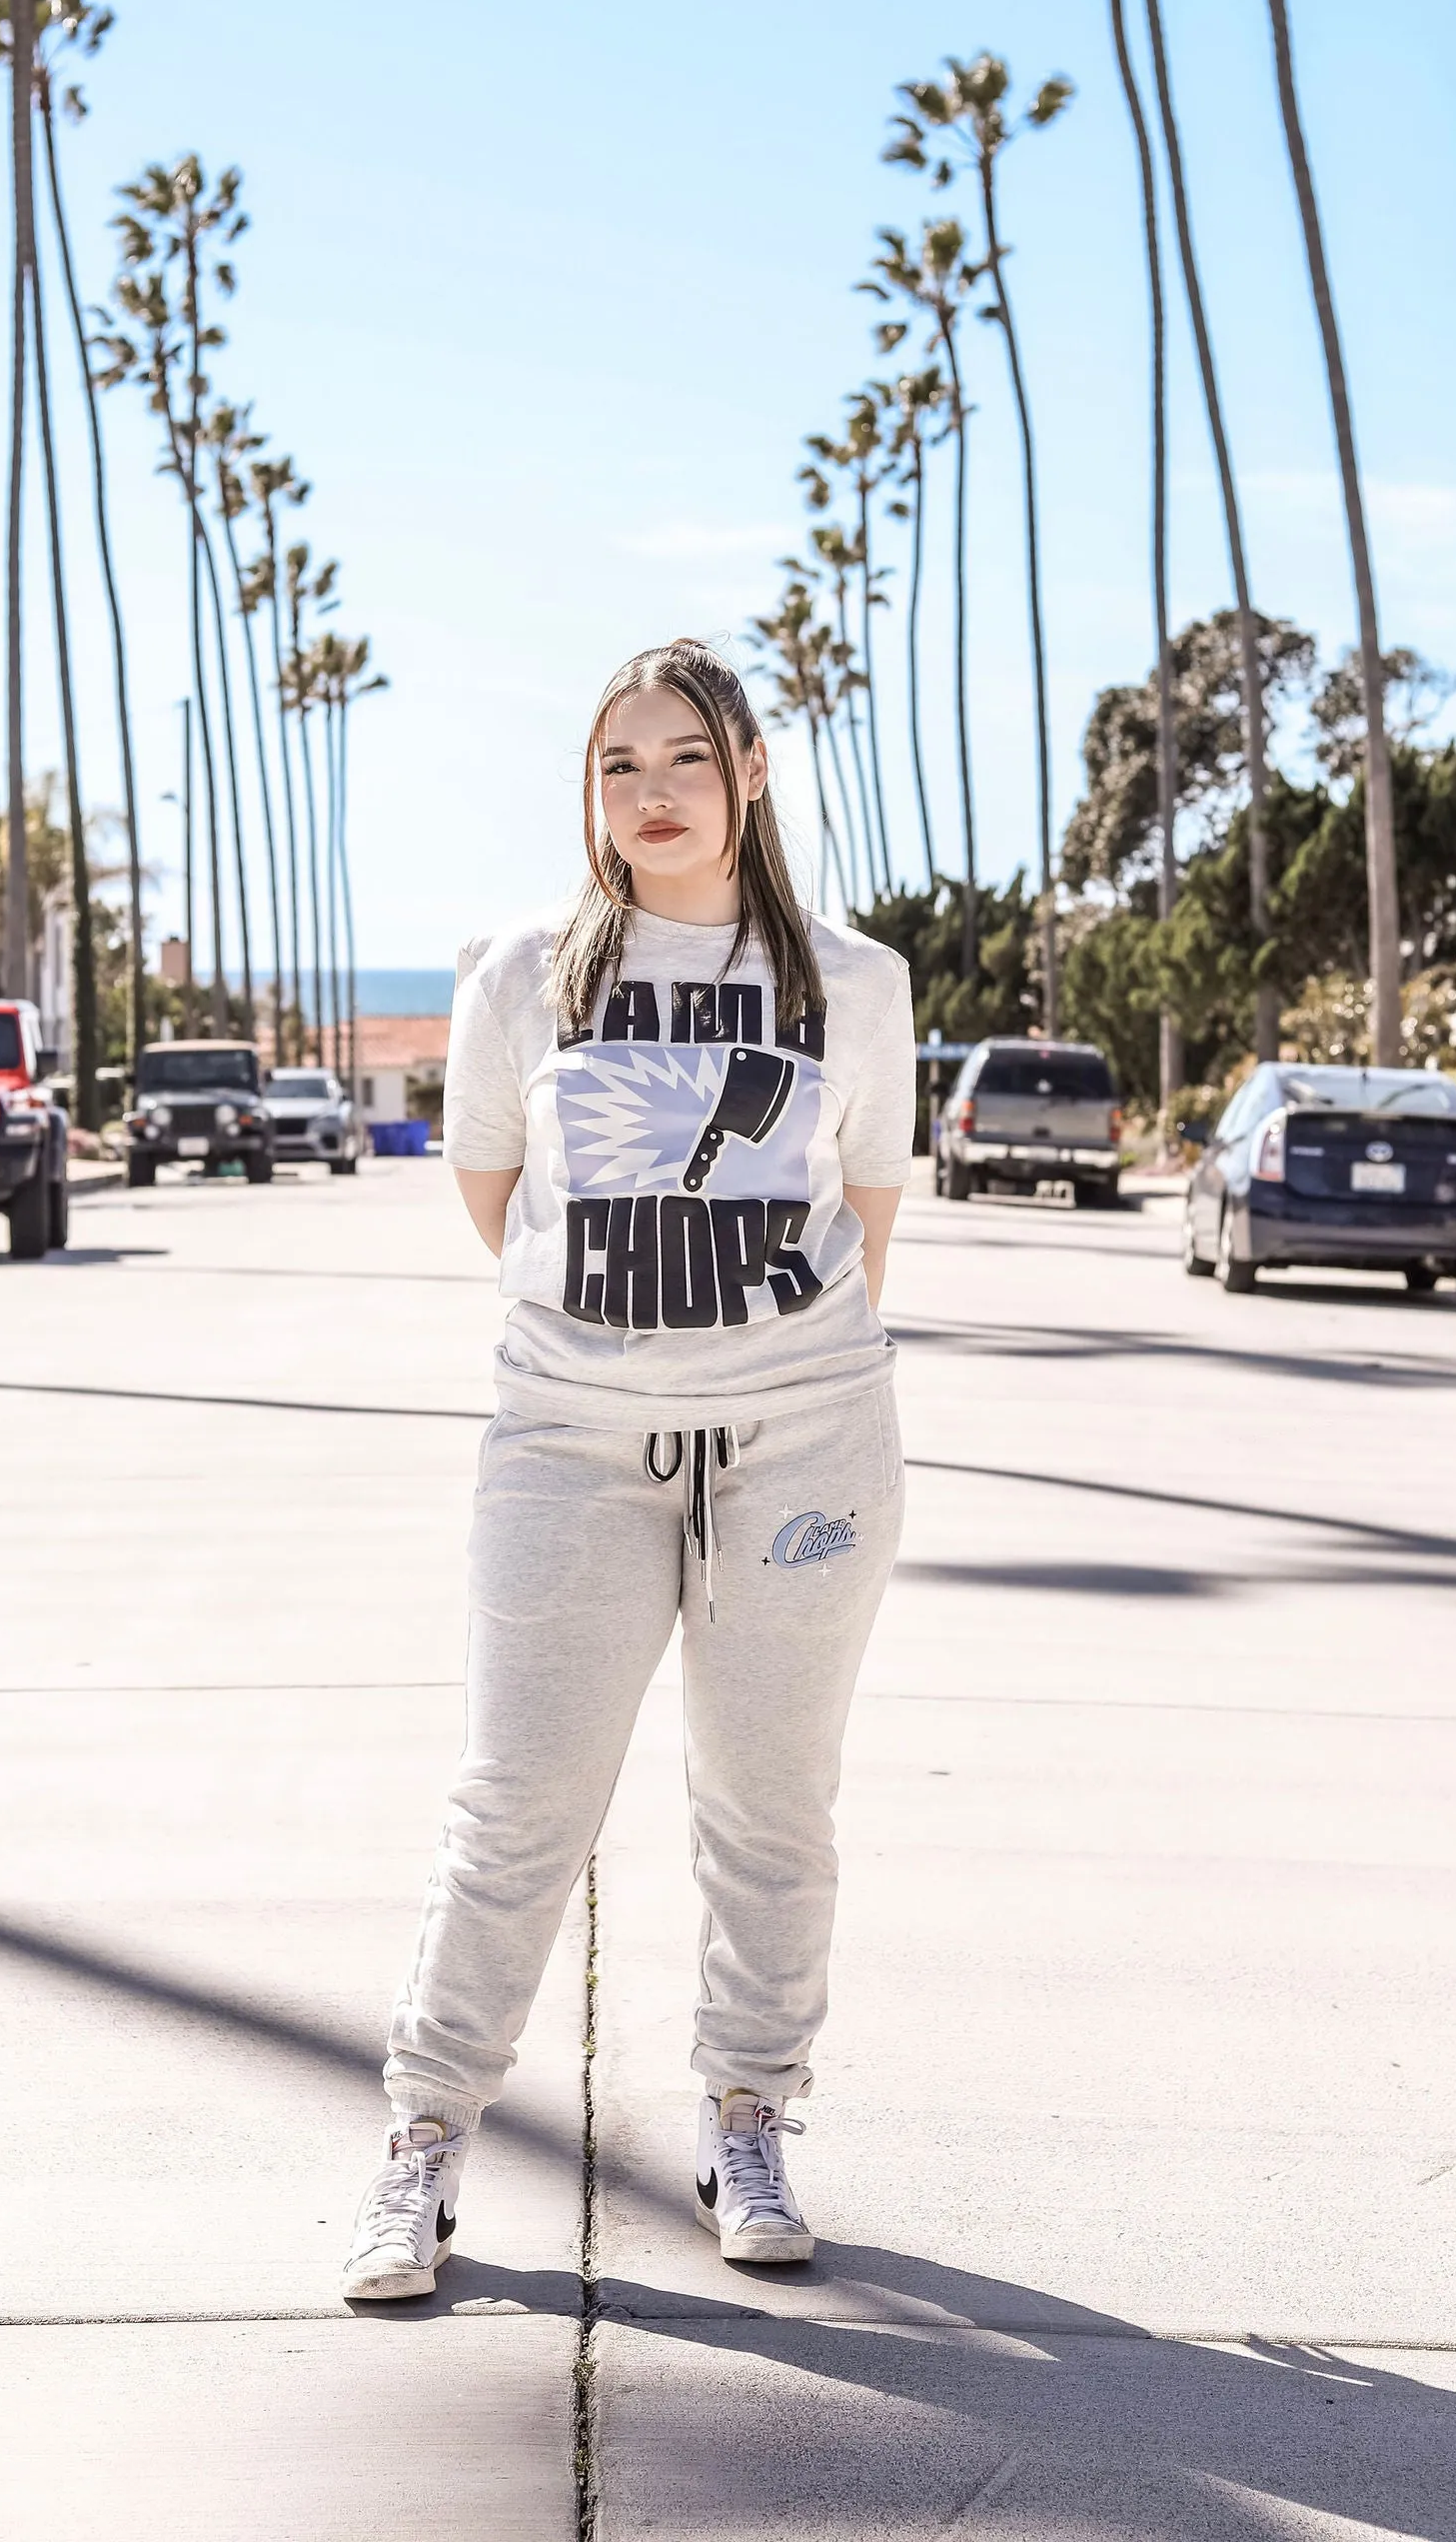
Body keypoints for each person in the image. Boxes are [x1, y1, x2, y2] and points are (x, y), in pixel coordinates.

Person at [341, 637, 914, 2300]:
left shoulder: (850, 981)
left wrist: (753, 1350)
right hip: (568, 1437)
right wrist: (623, 1336)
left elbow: (861, 1222)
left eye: (684, 760)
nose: (649, 796)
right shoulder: (523, 969)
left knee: (769, 1805)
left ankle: (750, 2114)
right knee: (516, 1805)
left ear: (750, 776)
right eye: (618, 767)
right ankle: (425, 2140)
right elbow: (494, 1191)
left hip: (805, 1438)